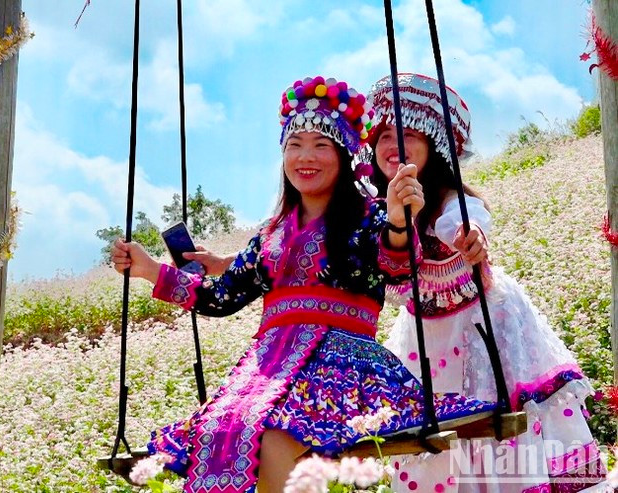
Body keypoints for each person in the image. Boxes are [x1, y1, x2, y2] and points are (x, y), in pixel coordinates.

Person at [111, 75, 495, 493]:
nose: (305, 157)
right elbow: (222, 296)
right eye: (295, 145)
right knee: (221, 430)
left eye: (321, 145)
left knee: (274, 438)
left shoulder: (370, 216)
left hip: (343, 369)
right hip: (268, 368)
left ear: (345, 155)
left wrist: (401, 221)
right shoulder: (270, 234)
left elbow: (395, 262)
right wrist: (150, 269)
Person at [365, 73, 606, 491]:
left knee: (496, 431)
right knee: (440, 441)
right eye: (384, 135)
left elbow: (463, 221)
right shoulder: (378, 211)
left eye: (408, 135)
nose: (393, 146)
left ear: (435, 146)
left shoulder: (449, 201)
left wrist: (469, 236)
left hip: (481, 328)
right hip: (425, 341)